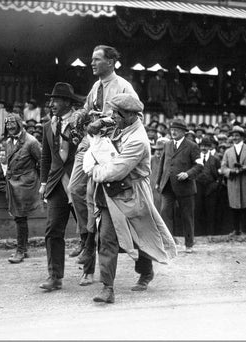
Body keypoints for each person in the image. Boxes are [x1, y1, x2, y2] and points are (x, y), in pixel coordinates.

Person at [86, 93, 176, 303]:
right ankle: (107, 288)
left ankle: (146, 272)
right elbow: (99, 128)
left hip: (134, 192)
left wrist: (93, 170)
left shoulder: (139, 140)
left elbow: (114, 171)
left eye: (115, 114)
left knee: (141, 234)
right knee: (107, 237)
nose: (111, 118)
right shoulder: (121, 123)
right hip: (111, 192)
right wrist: (94, 127)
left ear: (127, 115)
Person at [71, 44, 140, 286]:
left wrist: (103, 123)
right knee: (75, 189)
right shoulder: (95, 86)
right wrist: (80, 115)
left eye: (97, 59)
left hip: (113, 147)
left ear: (111, 62)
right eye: (92, 59)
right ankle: (85, 239)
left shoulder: (123, 85)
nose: (92, 63)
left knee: (96, 199)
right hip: (92, 144)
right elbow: (88, 108)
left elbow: (134, 114)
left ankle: (91, 253)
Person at [38, 82, 79, 291]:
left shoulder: (81, 122)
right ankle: (55, 276)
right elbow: (46, 157)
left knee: (89, 230)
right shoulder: (48, 126)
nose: (51, 103)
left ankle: (89, 271)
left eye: (56, 100)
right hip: (56, 185)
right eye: (51, 99)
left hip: (78, 183)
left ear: (67, 102)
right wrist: (43, 183)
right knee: (53, 229)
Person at [156, 118, 203, 253]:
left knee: (186, 215)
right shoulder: (167, 145)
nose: (173, 132)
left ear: (183, 132)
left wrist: (187, 174)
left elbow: (199, 165)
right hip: (167, 186)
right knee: (165, 213)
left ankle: (189, 244)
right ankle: (169, 244)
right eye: (172, 129)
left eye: (176, 130)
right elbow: (162, 165)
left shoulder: (192, 146)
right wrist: (158, 181)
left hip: (185, 186)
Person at [2, 113, 42, 263]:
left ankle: (20, 251)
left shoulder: (31, 142)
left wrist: (39, 181)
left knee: (20, 216)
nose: (10, 128)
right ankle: (24, 249)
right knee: (19, 217)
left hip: (26, 183)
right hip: (12, 182)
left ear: (19, 124)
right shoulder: (8, 142)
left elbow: (42, 161)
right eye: (8, 125)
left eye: (13, 125)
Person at [220, 126, 246, 235]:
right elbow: (223, 168)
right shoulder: (228, 152)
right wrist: (230, 172)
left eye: (237, 135)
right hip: (234, 182)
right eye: (233, 135)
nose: (235, 137)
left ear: (242, 137)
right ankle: (236, 229)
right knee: (235, 206)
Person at [194, 137, 221, 236]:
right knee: (198, 210)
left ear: (210, 147)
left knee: (211, 210)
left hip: (211, 187)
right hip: (198, 187)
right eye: (202, 146)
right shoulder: (196, 159)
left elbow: (219, 175)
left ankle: (210, 233)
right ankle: (198, 233)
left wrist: (215, 185)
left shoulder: (215, 160)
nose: (204, 148)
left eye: (206, 146)